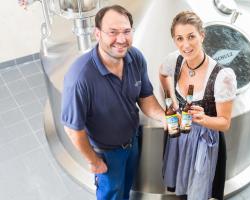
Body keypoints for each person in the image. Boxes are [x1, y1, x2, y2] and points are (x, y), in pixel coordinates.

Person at [61, 5, 165, 200]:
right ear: (97, 34)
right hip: (106, 153)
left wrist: (164, 117)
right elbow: (72, 129)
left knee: (124, 190)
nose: (121, 39)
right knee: (111, 195)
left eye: (126, 31)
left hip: (132, 143)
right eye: (113, 32)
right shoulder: (80, 77)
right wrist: (94, 161)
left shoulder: (135, 57)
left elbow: (145, 97)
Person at [159, 11, 237, 200]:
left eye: (191, 36)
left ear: (202, 35)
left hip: (203, 142)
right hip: (178, 136)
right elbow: (162, 74)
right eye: (179, 38)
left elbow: (225, 123)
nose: (185, 45)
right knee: (181, 184)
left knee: (199, 190)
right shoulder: (174, 59)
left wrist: (204, 119)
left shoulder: (222, 76)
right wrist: (171, 101)